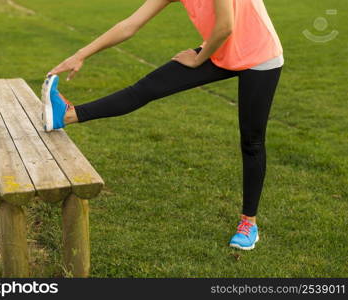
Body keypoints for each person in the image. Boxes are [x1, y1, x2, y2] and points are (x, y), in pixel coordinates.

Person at [43, 0, 284, 250]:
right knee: (146, 88)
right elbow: (130, 25)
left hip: (259, 55)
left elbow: (225, 26)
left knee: (252, 141)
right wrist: (80, 54)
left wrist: (198, 58)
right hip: (219, 51)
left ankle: (249, 223)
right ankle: (67, 115)